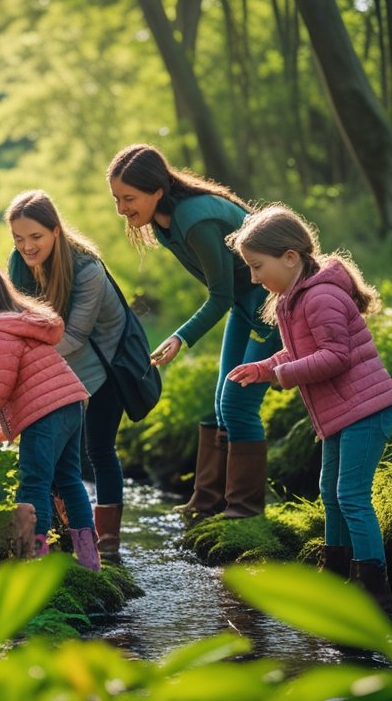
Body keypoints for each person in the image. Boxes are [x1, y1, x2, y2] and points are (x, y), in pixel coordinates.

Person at [226, 204, 392, 609]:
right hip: (342, 412)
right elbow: (297, 351)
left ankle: (374, 589)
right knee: (330, 490)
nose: (254, 277)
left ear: (290, 258)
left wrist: (281, 376)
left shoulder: (320, 296)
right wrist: (264, 366)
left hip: (366, 409)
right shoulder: (292, 298)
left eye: (257, 266)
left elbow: (336, 356)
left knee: (351, 495)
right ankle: (336, 571)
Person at [107, 143, 282, 520]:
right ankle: (208, 503)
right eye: (117, 199)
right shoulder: (163, 220)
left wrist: (179, 337)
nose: (122, 209)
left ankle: (246, 510)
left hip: (271, 305)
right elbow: (228, 294)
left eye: (129, 198)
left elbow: (218, 297)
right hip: (245, 302)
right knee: (223, 401)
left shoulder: (195, 220)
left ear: (157, 191)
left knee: (238, 403)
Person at [0, 253, 100, 571]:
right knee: (69, 480)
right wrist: (3, 426)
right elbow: (18, 384)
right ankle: (90, 559)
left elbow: (0, 388)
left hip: (46, 412)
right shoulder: (19, 320)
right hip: (69, 403)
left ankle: (32, 560)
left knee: (34, 483)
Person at [5, 190, 127, 558]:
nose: (27, 246)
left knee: (99, 448)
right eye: (18, 238)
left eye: (36, 237)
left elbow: (75, 335)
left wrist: (18, 358)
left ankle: (106, 544)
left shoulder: (87, 269)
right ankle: (65, 539)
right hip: (53, 361)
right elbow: (13, 317)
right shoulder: (19, 262)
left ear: (56, 231)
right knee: (58, 458)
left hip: (106, 359)